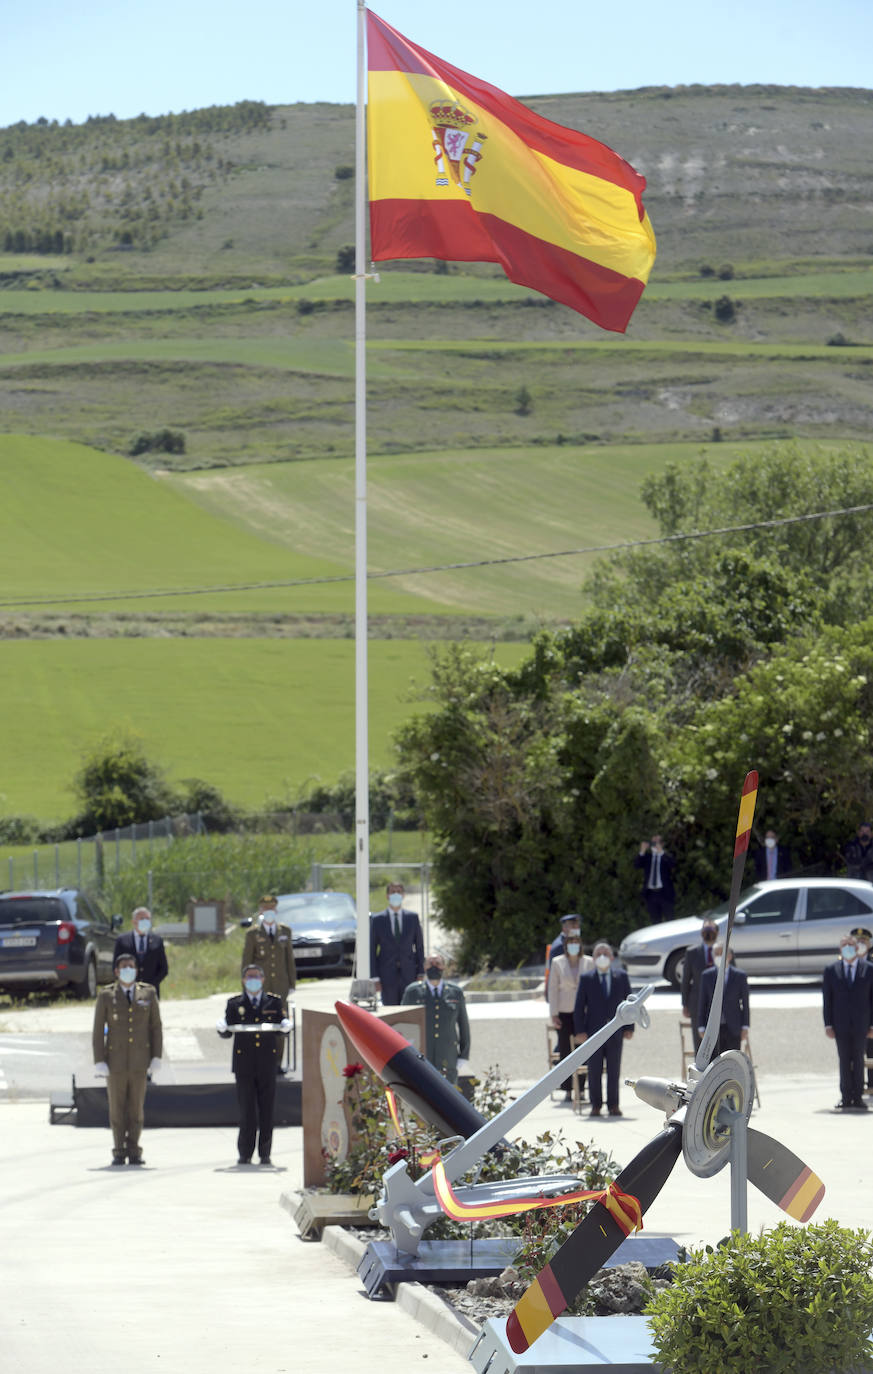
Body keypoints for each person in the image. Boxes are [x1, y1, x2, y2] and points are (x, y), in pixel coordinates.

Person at [92, 953, 162, 1166]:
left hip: (140, 1061)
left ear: (136, 970)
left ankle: (134, 1150)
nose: (128, 970)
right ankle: (118, 1151)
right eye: (124, 967)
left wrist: (156, 1056)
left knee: (136, 1109)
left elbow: (155, 1027)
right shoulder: (106, 995)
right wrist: (99, 1059)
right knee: (116, 1109)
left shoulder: (148, 993)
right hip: (115, 1062)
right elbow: (98, 1030)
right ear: (116, 971)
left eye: (131, 966)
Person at [217, 964, 291, 1164]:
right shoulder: (235, 1003)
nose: (253, 980)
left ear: (263, 979)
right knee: (247, 1110)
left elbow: (281, 1026)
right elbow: (227, 1030)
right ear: (243, 980)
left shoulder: (273, 1002)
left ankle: (265, 1152)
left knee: (266, 1109)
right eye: (249, 977)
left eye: (256, 976)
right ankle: (245, 1152)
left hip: (267, 1062)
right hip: (244, 1064)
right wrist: (221, 1027)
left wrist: (285, 1025)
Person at [573, 941, 633, 1118]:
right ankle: (596, 1105)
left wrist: (630, 1027)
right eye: (598, 953)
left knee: (614, 1070)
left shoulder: (621, 976)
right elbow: (579, 1007)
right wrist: (580, 1031)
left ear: (612, 957)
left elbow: (630, 1003)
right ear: (593, 958)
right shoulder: (586, 978)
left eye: (606, 953)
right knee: (594, 1069)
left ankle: (613, 1105)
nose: (602, 957)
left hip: (616, 1031)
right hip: (594, 1032)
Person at [401, 953, 470, 1085]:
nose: (434, 967)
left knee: (449, 1097)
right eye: (430, 964)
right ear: (424, 967)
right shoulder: (412, 992)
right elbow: (403, 1024)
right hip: (420, 1055)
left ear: (444, 966)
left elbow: (463, 1025)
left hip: (448, 1056)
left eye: (437, 963)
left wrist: (464, 1056)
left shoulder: (455, 992)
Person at [823, 931, 873, 1111]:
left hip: (861, 1024)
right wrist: (828, 1024)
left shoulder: (868, 968)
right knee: (844, 1059)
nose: (848, 949)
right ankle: (845, 1097)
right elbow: (827, 1000)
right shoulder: (831, 970)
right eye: (844, 946)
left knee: (859, 1059)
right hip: (840, 1025)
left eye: (851, 946)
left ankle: (858, 1097)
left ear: (856, 948)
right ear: (840, 949)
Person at [547, 926, 593, 1101]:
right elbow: (552, 989)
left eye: (576, 942)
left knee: (583, 1051)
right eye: (571, 942)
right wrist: (554, 1013)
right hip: (564, 1012)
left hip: (583, 1013)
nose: (574, 945)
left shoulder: (588, 962)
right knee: (566, 1051)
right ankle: (567, 1089)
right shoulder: (558, 962)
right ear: (566, 945)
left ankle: (581, 1089)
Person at [370, 880, 424, 1006]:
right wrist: (375, 978)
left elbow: (419, 946)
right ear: (387, 896)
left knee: (409, 1009)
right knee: (390, 1010)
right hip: (387, 975)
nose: (396, 894)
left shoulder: (412, 918)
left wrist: (421, 972)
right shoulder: (377, 919)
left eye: (399, 892)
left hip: (409, 973)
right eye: (392, 892)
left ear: (403, 895)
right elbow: (372, 949)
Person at [241, 895, 296, 1010]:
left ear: (275, 911)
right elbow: (247, 961)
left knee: (281, 1012)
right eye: (266, 909)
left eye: (271, 909)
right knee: (261, 1011)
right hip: (260, 982)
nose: (269, 912)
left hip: (281, 982)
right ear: (261, 911)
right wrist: (245, 984)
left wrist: (292, 983)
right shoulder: (253, 934)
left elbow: (289, 959)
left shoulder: (285, 931)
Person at [696, 944, 750, 1054]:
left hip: (733, 1027)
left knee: (732, 1059)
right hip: (713, 1028)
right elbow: (702, 1002)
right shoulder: (706, 976)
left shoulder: (740, 976)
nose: (719, 956)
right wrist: (701, 1026)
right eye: (716, 954)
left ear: (729, 956)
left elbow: (745, 1003)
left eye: (722, 953)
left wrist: (745, 1026)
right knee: (714, 1061)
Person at [112, 906, 169, 997]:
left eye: (147, 918)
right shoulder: (122, 940)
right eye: (142, 918)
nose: (145, 921)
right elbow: (115, 966)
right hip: (128, 992)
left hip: (151, 992)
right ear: (133, 921)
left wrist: (151, 985)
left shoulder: (157, 941)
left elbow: (163, 968)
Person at [680, 919, 719, 1053]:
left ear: (717, 933)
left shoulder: (724, 951)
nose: (708, 934)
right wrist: (685, 1004)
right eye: (705, 931)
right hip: (696, 1004)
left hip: (718, 1003)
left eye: (711, 931)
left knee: (719, 1042)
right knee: (699, 1042)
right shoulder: (692, 953)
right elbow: (685, 980)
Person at [634, 834, 676, 923]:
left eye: (657, 842)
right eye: (653, 842)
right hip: (651, 894)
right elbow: (637, 865)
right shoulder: (648, 857)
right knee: (655, 921)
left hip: (664, 893)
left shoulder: (666, 856)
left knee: (670, 919)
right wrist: (642, 851)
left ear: (662, 844)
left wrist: (661, 852)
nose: (655, 844)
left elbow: (672, 864)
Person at [544, 913, 583, 999]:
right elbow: (557, 974)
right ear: (564, 928)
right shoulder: (560, 946)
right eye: (573, 925)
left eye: (577, 925)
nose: (577, 928)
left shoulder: (571, 942)